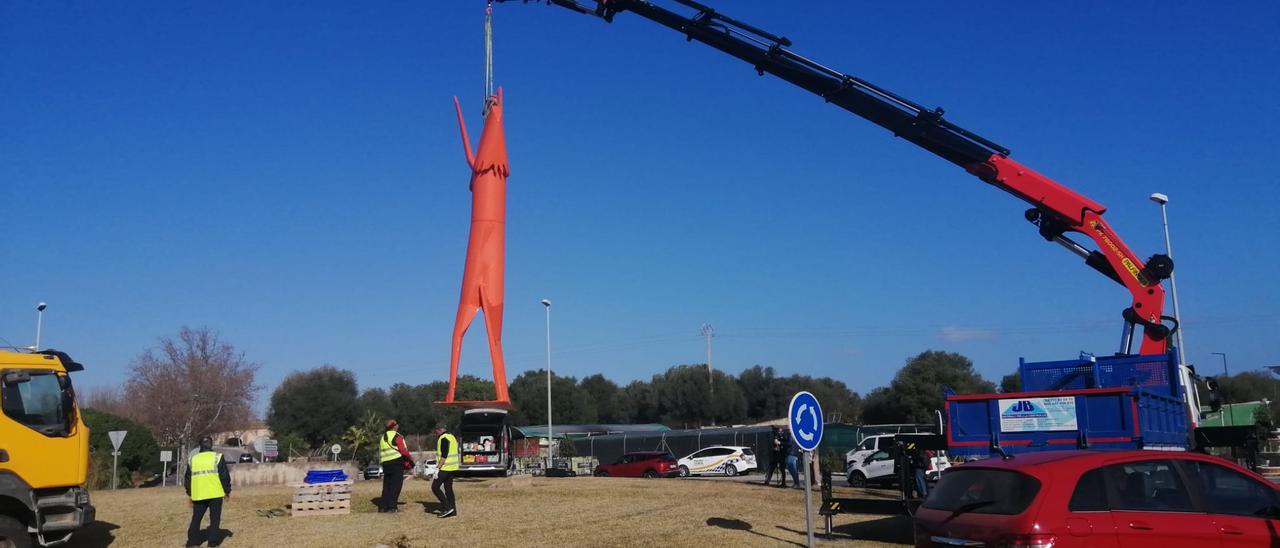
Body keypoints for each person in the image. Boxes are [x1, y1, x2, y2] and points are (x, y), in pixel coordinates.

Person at [185, 436, 231, 548]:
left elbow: (187, 478)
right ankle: (212, 542)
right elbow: (224, 476)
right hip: (215, 493)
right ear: (211, 445)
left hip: (198, 494)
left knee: (196, 518)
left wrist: (190, 493)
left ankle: (192, 541)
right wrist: (227, 490)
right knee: (215, 518)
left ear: (200, 446)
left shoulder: (193, 459)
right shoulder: (217, 457)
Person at [377, 419, 414, 513]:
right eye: (397, 424)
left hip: (385, 463)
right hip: (396, 462)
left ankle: (383, 507)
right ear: (394, 426)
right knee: (396, 485)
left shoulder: (383, 437)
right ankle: (392, 507)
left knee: (387, 485)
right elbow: (403, 450)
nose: (398, 425)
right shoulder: (397, 436)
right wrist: (410, 458)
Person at [432, 423, 460, 518]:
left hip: (445, 467)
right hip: (452, 467)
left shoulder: (443, 438)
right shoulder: (452, 437)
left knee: (435, 487)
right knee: (448, 489)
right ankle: (453, 512)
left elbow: (444, 455)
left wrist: (437, 468)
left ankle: (447, 507)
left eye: (436, 431)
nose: (435, 433)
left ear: (439, 430)